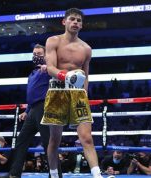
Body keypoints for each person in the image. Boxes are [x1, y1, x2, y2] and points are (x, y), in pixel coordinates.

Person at [41, 8, 103, 178]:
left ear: (82, 25)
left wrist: (85, 96)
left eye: (79, 20)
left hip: (78, 95)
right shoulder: (53, 41)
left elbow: (86, 76)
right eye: (72, 19)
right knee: (55, 140)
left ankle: (97, 175)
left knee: (87, 138)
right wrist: (66, 75)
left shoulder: (86, 48)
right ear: (64, 22)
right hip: (57, 91)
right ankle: (54, 175)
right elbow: (51, 68)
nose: (76, 22)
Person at [0, 44, 62, 178]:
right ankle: (14, 174)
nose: (36, 57)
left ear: (45, 56)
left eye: (39, 54)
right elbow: (32, 95)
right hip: (33, 109)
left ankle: (56, 175)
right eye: (34, 54)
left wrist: (50, 68)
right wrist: (26, 111)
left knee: (48, 142)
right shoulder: (32, 73)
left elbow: (61, 73)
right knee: (21, 140)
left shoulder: (49, 69)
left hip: (45, 107)